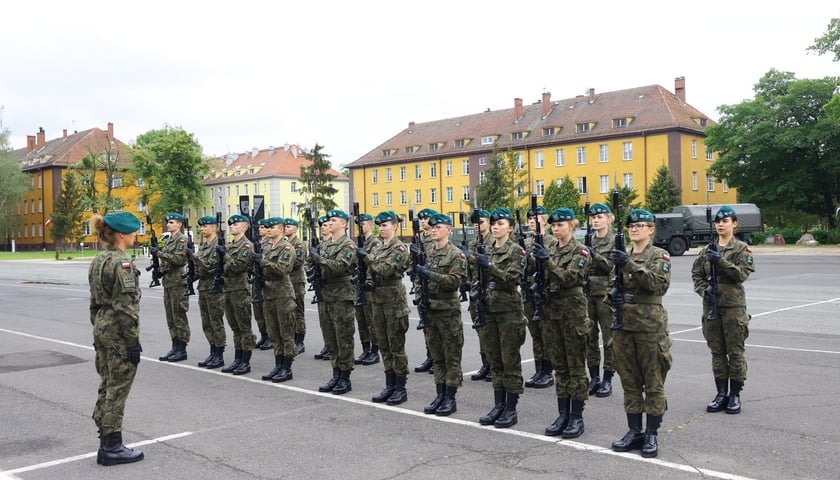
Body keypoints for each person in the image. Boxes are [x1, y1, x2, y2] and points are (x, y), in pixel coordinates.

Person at [609, 209, 673, 458]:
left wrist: (630, 265)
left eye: (640, 225)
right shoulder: (621, 254)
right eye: (631, 226)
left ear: (651, 229)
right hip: (624, 326)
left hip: (649, 328)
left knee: (653, 383)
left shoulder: (660, 255)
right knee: (630, 382)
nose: (634, 229)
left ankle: (652, 434)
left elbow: (658, 284)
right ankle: (634, 431)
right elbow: (610, 285)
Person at [88, 211, 144, 466]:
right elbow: (125, 306)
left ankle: (105, 439)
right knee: (118, 389)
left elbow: (94, 302)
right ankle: (112, 447)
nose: (135, 236)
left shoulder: (99, 259)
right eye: (132, 232)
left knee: (107, 383)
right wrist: (132, 341)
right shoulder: (121, 263)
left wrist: (99, 328)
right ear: (121, 234)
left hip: (102, 327)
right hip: (118, 332)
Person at [533, 208, 592, 438]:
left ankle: (577, 416)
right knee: (560, 366)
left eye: (561, 225)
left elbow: (571, 278)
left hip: (572, 314)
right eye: (554, 226)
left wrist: (547, 263)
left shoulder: (581, 251)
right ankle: (563, 413)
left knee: (575, 366)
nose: (556, 229)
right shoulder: (549, 249)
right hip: (552, 313)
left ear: (572, 226)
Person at [691, 205, 755, 414]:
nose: (720, 224)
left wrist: (722, 261)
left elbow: (741, 275)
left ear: (734, 224)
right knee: (717, 353)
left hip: (733, 309)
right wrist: (704, 291)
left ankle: (735, 395)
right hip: (711, 308)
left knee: (735, 352)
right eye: (718, 222)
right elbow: (697, 275)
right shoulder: (706, 251)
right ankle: (721, 394)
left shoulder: (741, 249)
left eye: (725, 221)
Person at [475, 207, 527, 429]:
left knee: (510, 361)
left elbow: (513, 278)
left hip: (509, 313)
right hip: (489, 311)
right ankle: (498, 405)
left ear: (511, 228)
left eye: (501, 224)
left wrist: (490, 267)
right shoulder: (485, 248)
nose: (495, 227)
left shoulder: (517, 251)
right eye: (494, 224)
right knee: (495, 360)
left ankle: (511, 408)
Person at [414, 213, 467, 416]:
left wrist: (429, 275)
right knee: (436, 356)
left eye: (438, 227)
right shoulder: (429, 252)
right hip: (430, 309)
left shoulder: (456, 254)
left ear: (448, 230)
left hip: (447, 310)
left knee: (451, 356)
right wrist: (420, 293)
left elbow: (454, 281)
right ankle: (440, 394)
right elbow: (419, 279)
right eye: (432, 228)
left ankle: (450, 398)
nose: (434, 230)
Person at [363, 210, 411, 405]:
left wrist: (367, 259)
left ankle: (400, 387)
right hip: (378, 301)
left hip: (393, 302)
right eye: (380, 226)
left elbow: (386, 270)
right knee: (384, 345)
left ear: (395, 226)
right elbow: (371, 272)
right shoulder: (378, 248)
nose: (382, 229)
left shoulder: (399, 249)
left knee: (396, 346)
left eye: (385, 225)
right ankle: (389, 384)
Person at [311, 209, 358, 395]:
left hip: (342, 296)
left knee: (343, 338)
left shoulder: (348, 245)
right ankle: (336, 373)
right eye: (328, 220)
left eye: (334, 220)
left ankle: (345, 377)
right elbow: (313, 264)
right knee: (330, 338)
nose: (329, 223)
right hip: (325, 294)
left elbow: (339, 267)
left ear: (344, 224)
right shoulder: (325, 245)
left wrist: (317, 258)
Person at [258, 217, 298, 382]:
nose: (268, 229)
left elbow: (282, 269)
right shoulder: (267, 247)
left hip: (283, 296)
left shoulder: (286, 248)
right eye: (267, 227)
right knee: (274, 333)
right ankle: (278, 364)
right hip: (269, 294)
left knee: (286, 333)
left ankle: (287, 368)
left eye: (272, 227)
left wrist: (262, 263)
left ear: (281, 229)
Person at [523, 205, 558, 389]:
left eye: (534, 218)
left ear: (543, 220)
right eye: (528, 219)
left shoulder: (552, 242)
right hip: (529, 289)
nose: (530, 221)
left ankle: (548, 371)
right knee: (535, 332)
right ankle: (539, 369)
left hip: (544, 290)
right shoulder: (527, 242)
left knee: (547, 333)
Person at [585, 203, 616, 397]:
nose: (596, 220)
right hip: (587, 293)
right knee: (589, 337)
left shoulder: (614, 241)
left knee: (609, 339)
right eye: (593, 218)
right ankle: (594, 377)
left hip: (605, 295)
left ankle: (607, 378)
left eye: (600, 217)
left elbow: (612, 268)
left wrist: (595, 256)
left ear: (609, 219)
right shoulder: (588, 241)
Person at [219, 214, 256, 375]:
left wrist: (224, 256)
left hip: (240, 290)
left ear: (244, 227)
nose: (232, 226)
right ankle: (237, 358)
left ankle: (245, 361)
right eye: (231, 224)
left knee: (244, 327)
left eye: (235, 224)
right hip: (228, 290)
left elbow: (238, 266)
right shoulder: (230, 245)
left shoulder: (247, 246)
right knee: (235, 327)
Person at [190, 215, 227, 369]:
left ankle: (219, 354)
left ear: (214, 228)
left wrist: (193, 257)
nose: (202, 229)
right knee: (207, 322)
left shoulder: (218, 246)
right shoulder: (205, 246)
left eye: (206, 226)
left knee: (215, 322)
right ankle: (212, 351)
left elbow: (210, 267)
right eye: (202, 226)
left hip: (215, 288)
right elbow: (200, 269)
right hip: (204, 288)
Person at [154, 212, 190, 362]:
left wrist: (160, 254)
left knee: (179, 316)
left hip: (178, 283)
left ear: (179, 224)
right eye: (168, 222)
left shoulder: (182, 240)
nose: (168, 224)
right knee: (171, 317)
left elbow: (179, 259)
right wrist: (159, 270)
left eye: (172, 222)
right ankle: (175, 346)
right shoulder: (168, 240)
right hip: (168, 283)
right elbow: (167, 262)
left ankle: (182, 348)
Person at [466, 209, 492, 382]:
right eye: (475, 222)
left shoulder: (493, 241)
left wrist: (471, 258)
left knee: (489, 329)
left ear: (489, 222)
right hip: (475, 289)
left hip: (488, 289)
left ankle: (493, 364)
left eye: (481, 221)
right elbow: (469, 269)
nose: (477, 225)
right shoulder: (473, 242)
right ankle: (485, 363)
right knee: (480, 329)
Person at [354, 212, 382, 366]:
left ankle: (374, 350)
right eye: (359, 224)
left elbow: (373, 264)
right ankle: (365, 348)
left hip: (369, 285)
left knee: (371, 320)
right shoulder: (359, 242)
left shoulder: (374, 243)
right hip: (358, 284)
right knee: (361, 319)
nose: (360, 227)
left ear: (370, 225)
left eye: (363, 224)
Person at [413, 208, 438, 374]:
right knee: (426, 325)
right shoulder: (418, 239)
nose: (423, 221)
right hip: (419, 285)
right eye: (421, 219)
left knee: (436, 325)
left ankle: (437, 358)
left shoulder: (436, 239)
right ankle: (430, 356)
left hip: (433, 285)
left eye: (426, 218)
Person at [285, 218, 308, 354]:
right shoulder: (287, 243)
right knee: (289, 312)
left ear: (295, 228)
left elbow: (298, 262)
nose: (286, 229)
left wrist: (283, 263)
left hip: (297, 282)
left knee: (298, 312)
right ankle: (292, 338)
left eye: (289, 226)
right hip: (288, 282)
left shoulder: (299, 244)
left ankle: (300, 340)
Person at [313, 214, 333, 361]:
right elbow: (310, 261)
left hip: (333, 288)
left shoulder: (334, 244)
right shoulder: (320, 245)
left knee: (333, 320)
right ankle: (327, 344)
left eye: (325, 225)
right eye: (322, 226)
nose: (323, 228)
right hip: (322, 286)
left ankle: (332, 347)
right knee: (324, 319)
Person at [254, 218, 273, 351]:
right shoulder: (257, 243)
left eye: (263, 227)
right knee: (258, 311)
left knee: (266, 311)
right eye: (259, 227)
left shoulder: (270, 244)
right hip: (257, 280)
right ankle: (263, 335)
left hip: (267, 280)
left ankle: (270, 337)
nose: (260, 229)